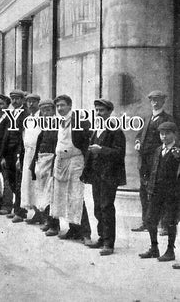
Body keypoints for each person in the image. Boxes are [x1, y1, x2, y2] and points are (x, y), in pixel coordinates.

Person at [80, 99, 126, 256]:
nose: (98, 113)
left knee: (106, 207)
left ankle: (109, 243)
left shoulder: (115, 129)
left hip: (109, 175)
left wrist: (101, 150)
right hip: (96, 174)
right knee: (98, 207)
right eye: (97, 110)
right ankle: (101, 237)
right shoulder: (97, 129)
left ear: (110, 112)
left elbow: (120, 153)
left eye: (102, 110)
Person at [132, 90, 175, 232]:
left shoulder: (168, 119)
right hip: (144, 162)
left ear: (163, 101)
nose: (155, 103)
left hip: (159, 162)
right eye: (152, 100)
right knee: (144, 191)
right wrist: (138, 142)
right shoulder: (147, 118)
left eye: (158, 100)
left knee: (160, 192)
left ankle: (164, 225)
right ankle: (146, 222)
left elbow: (172, 139)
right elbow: (139, 135)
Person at [51, 94, 91, 244]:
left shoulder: (79, 120)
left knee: (76, 196)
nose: (60, 108)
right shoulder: (58, 122)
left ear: (70, 105)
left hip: (75, 161)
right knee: (63, 196)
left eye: (62, 105)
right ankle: (73, 230)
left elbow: (87, 140)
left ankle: (86, 233)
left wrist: (87, 163)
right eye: (58, 106)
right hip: (61, 162)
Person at [139, 122, 180, 262]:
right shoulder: (158, 150)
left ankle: (170, 250)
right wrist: (149, 186)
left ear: (174, 134)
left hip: (172, 193)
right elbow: (153, 170)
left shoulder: (178, 151)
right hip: (156, 191)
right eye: (162, 134)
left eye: (167, 133)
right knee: (150, 219)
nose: (164, 136)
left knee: (170, 221)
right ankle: (154, 248)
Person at [30, 99, 59, 236]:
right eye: (43, 110)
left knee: (51, 193)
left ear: (53, 111)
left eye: (48, 110)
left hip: (52, 161)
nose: (46, 113)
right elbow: (38, 146)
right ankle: (48, 220)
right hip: (41, 161)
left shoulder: (58, 125)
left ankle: (54, 224)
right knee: (43, 193)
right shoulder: (44, 126)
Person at [3, 89, 29, 223]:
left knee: (19, 182)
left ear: (22, 100)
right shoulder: (10, 113)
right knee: (12, 180)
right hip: (9, 152)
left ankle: (20, 212)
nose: (14, 101)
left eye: (17, 99)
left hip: (19, 151)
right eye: (12, 99)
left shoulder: (25, 113)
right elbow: (6, 135)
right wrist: (3, 154)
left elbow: (23, 136)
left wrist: (20, 155)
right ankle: (17, 208)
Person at [20, 93, 42, 224]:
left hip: (37, 154)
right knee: (28, 183)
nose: (31, 104)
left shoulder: (42, 118)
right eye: (28, 102)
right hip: (28, 154)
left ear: (38, 102)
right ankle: (35, 212)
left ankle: (42, 213)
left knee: (38, 183)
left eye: (33, 101)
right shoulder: (28, 119)